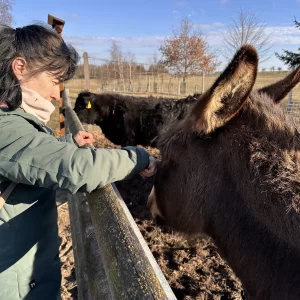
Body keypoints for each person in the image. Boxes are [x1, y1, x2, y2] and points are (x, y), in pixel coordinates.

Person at [0, 24, 157, 300]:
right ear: (20, 68)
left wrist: (66, 144)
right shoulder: (7, 129)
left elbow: (27, 158)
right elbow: (79, 169)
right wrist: (139, 156)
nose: (54, 94)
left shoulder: (12, 127)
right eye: (53, 80)